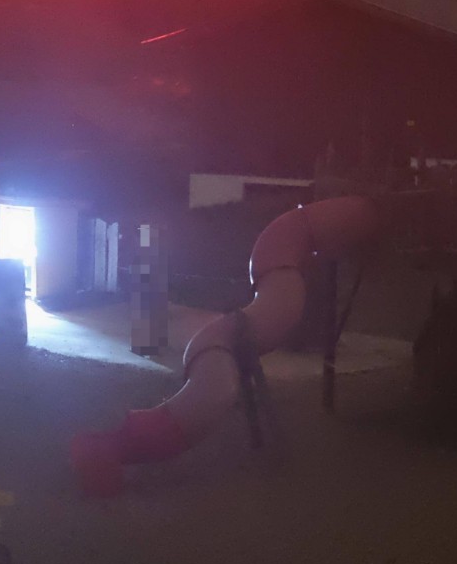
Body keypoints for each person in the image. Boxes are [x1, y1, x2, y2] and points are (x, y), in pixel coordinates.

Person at [79, 186, 384, 497]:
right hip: (214, 345)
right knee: (213, 380)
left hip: (214, 343)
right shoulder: (284, 257)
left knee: (211, 370)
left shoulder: (281, 252)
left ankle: (113, 447)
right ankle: (116, 447)